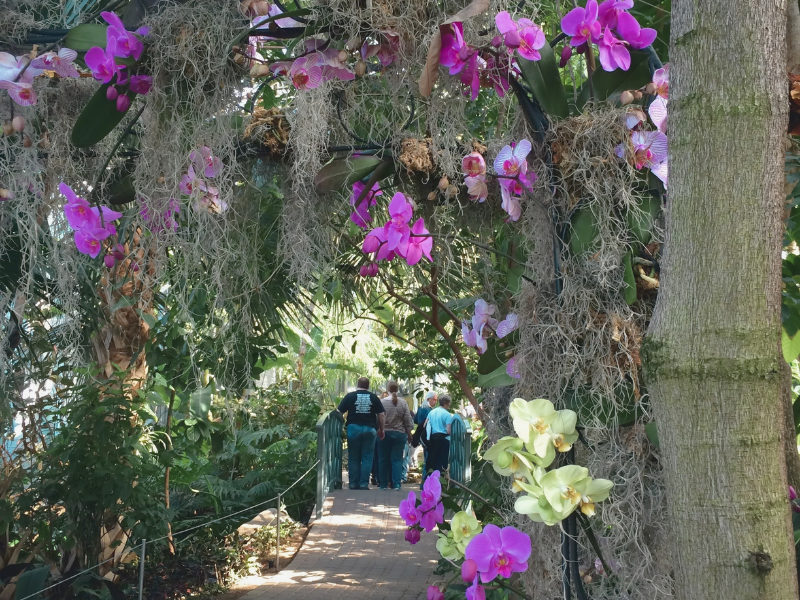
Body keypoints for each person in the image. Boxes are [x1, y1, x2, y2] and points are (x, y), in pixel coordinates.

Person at [337, 377, 385, 490]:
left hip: (353, 428)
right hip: (369, 429)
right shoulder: (374, 397)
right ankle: (363, 484)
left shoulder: (350, 396)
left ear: (357, 384)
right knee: (367, 458)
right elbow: (381, 414)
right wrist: (381, 429)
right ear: (368, 386)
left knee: (354, 457)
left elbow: (338, 412)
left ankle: (353, 484)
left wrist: (341, 424)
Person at [378, 381, 413, 490]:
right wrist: (409, 435)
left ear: (387, 389)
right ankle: (396, 484)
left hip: (384, 434)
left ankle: (383, 485)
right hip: (399, 434)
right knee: (397, 459)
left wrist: (379, 430)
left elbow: (378, 418)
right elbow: (407, 421)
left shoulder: (382, 402)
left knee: (383, 459)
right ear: (397, 390)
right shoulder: (403, 403)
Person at [423, 394, 455, 475]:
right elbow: (448, 431)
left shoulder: (432, 412)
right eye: (449, 403)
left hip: (432, 439)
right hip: (443, 440)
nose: (449, 405)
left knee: (432, 461)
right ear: (445, 403)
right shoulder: (447, 414)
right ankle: (440, 481)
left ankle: (430, 479)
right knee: (442, 462)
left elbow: (425, 425)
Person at [413, 391, 437, 484]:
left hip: (421, 436)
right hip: (427, 437)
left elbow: (415, 420)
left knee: (426, 458)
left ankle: (424, 482)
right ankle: (425, 482)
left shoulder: (420, 409)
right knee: (428, 460)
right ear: (428, 399)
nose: (435, 402)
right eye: (433, 400)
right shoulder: (429, 411)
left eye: (436, 400)